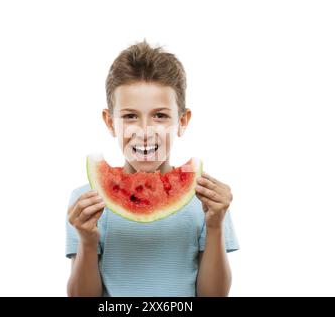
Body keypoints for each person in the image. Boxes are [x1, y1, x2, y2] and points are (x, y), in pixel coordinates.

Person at [66, 39, 239, 297]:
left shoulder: (206, 198)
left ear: (182, 121)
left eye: (160, 116)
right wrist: (87, 241)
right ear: (110, 122)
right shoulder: (88, 201)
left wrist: (215, 224)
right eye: (130, 116)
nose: (145, 131)